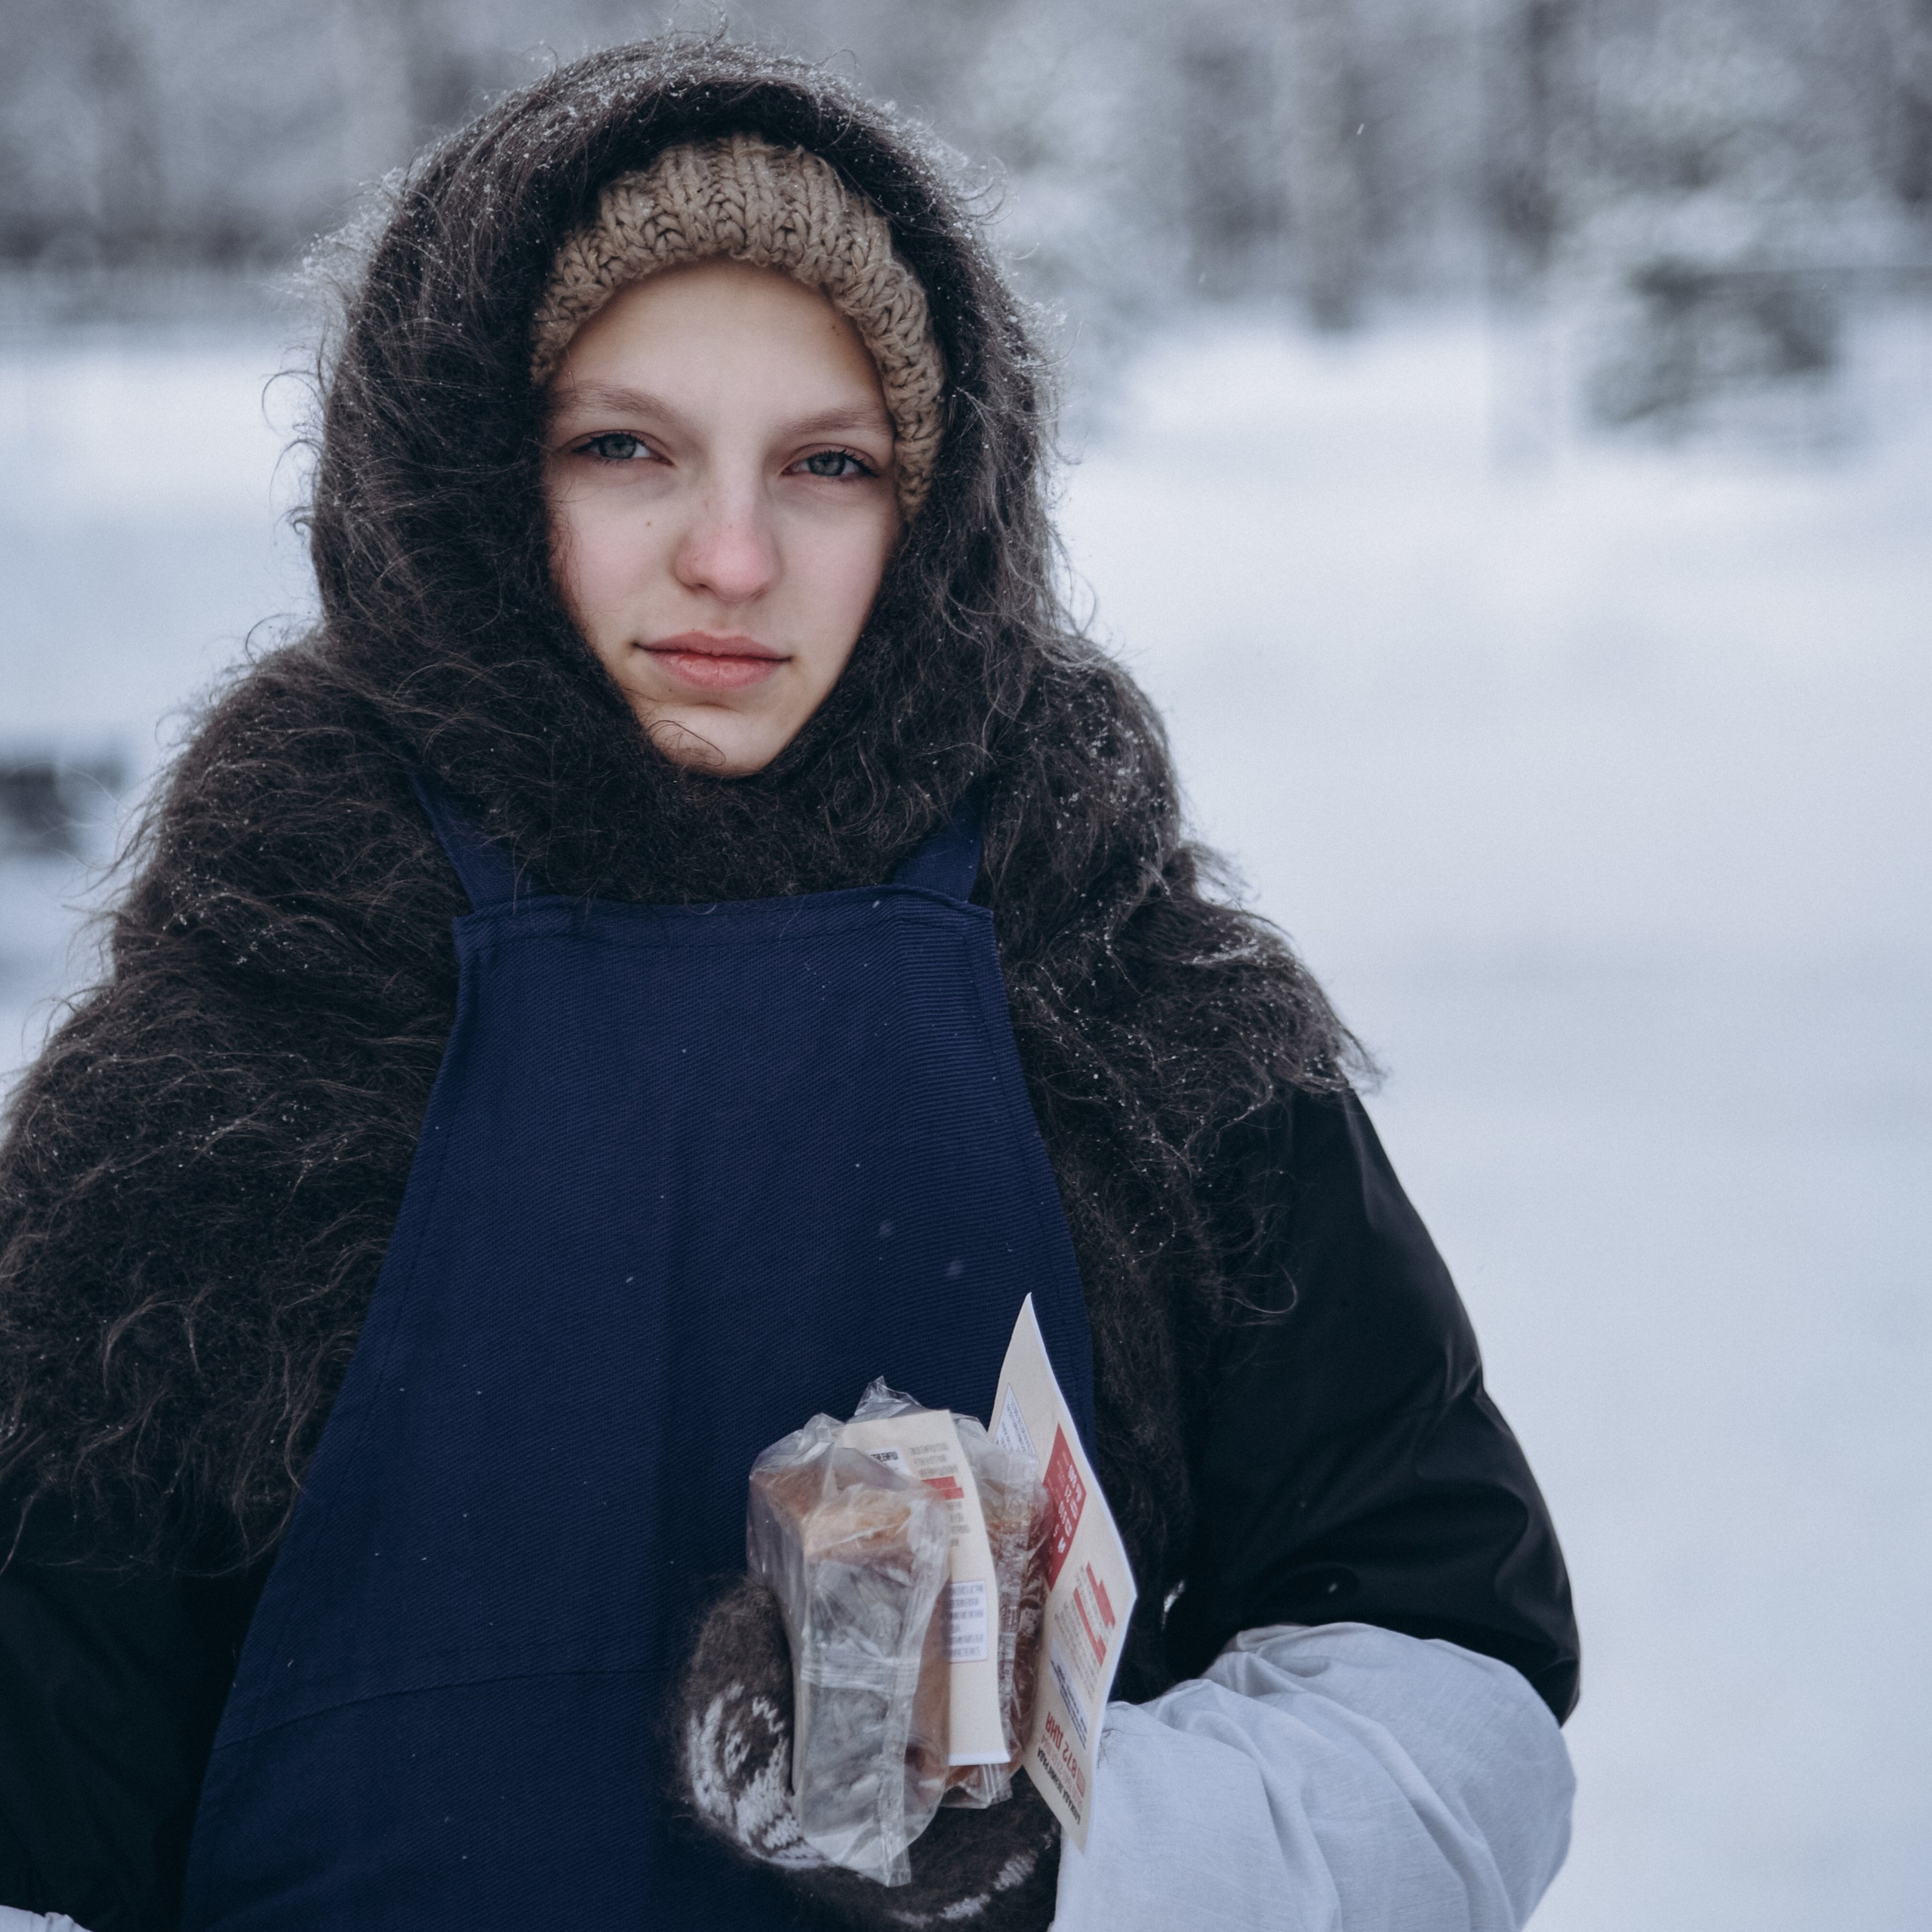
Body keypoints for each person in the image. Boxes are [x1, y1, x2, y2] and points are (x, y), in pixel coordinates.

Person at [0, 36, 1578, 1932]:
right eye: (623, 446)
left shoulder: (1126, 995)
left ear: (939, 505)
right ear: (470, 477)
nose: (730, 558)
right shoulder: (250, 1020)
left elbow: (1452, 1705)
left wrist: (1067, 1836)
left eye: (830, 463)